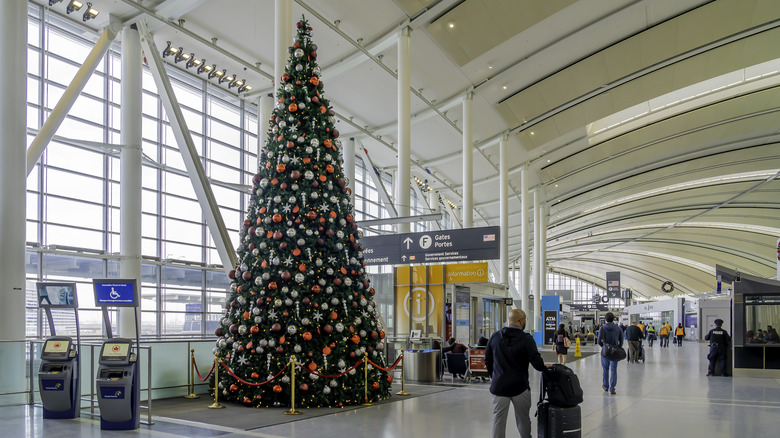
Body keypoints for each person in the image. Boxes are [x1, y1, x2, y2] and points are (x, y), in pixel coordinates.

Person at [485, 309, 547, 438]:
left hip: (499, 387)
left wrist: (495, 376)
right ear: (521, 321)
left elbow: (488, 360)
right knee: (523, 419)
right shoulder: (526, 339)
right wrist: (546, 367)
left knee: (498, 420)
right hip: (520, 387)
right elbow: (537, 363)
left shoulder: (495, 337)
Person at [597, 312, 624, 395]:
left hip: (605, 351)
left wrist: (604, 347)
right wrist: (617, 347)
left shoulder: (602, 328)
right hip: (615, 351)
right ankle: (612, 389)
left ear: (605, 319)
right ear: (614, 319)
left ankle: (605, 386)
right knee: (614, 370)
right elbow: (621, 340)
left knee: (605, 369)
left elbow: (598, 341)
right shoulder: (618, 328)